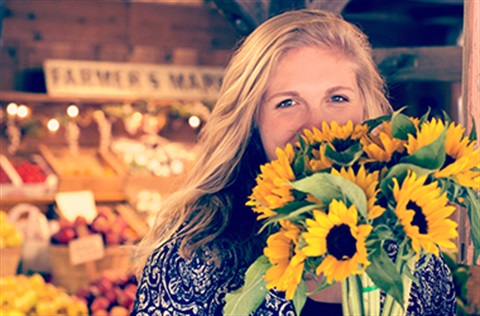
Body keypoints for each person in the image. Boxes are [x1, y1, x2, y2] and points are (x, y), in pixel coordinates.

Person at [131, 9, 456, 315]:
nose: (317, 126)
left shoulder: (414, 255)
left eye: (337, 98)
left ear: (367, 110)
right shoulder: (196, 255)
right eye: (287, 102)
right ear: (252, 121)